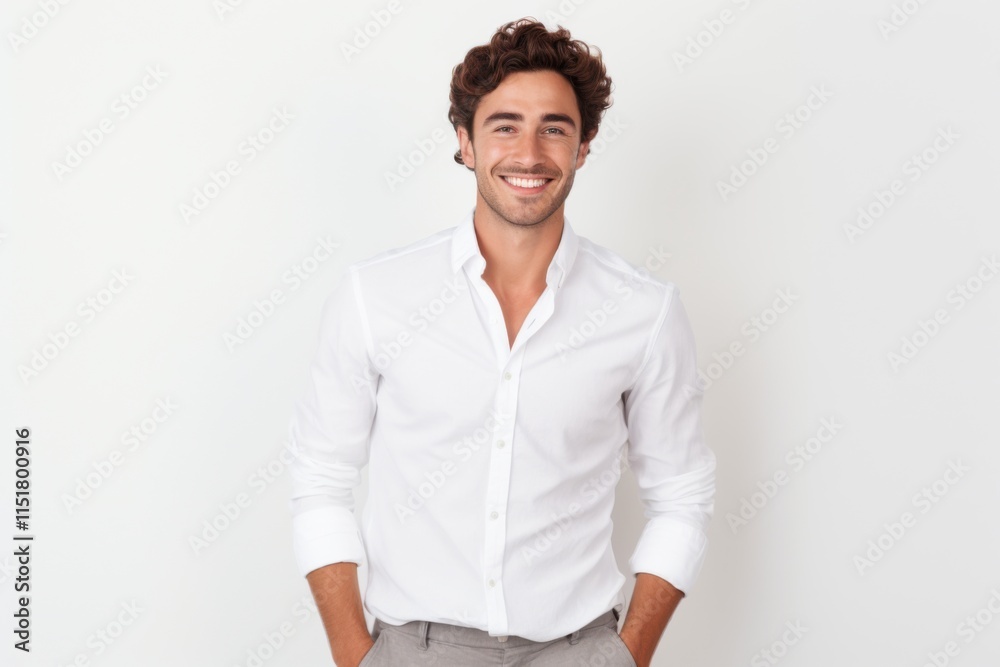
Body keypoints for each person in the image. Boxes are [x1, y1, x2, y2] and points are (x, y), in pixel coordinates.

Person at [287, 17, 716, 667]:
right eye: (505, 124)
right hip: (414, 647)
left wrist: (626, 655)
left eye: (555, 127)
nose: (529, 152)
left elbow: (683, 494)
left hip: (578, 647)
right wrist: (357, 656)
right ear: (465, 141)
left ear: (585, 144)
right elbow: (320, 478)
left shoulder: (644, 311)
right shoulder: (375, 297)